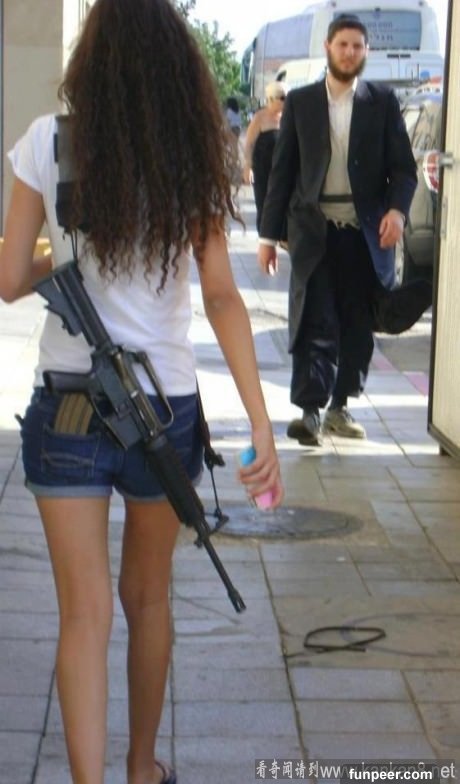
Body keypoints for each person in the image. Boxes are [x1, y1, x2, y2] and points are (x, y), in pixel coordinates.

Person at [0, 2, 283, 783]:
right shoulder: (192, 150)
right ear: (174, 65)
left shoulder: (45, 141)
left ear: (90, 58)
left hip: (67, 404)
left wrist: (64, 251)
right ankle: (139, 768)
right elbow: (221, 295)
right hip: (164, 408)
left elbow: (10, 279)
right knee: (147, 599)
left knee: (83, 614)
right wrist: (260, 422)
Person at [258, 14, 417, 446]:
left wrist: (397, 212)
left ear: (366, 52)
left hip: (365, 235)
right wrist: (268, 238)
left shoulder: (382, 102)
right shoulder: (302, 102)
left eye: (357, 46)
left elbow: (404, 169)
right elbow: (282, 173)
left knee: (356, 322)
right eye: (343, 44)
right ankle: (309, 411)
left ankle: (339, 407)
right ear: (328, 47)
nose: (350, 53)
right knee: (314, 319)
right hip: (314, 232)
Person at [243, 81, 288, 234]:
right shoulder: (260, 117)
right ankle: (265, 237)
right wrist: (248, 167)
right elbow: (249, 143)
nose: (286, 101)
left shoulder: (288, 117)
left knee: (283, 204)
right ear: (271, 98)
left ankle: (282, 236)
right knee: (264, 205)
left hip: (283, 170)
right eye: (283, 98)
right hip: (263, 169)